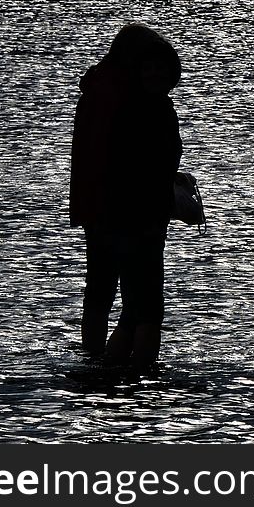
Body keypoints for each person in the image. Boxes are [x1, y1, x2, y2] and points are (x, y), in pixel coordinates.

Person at [69, 23, 182, 368]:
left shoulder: (96, 89)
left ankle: (93, 358)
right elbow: (143, 161)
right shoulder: (138, 101)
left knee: (99, 289)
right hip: (134, 212)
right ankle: (138, 369)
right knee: (143, 304)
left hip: (95, 202)